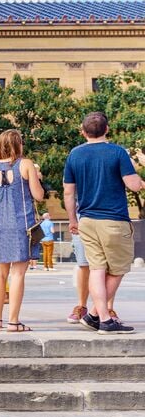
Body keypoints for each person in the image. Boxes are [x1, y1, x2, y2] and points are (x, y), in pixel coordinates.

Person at [63, 111, 143, 334]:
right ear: (107, 129)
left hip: (87, 220)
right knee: (117, 269)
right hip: (114, 220)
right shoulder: (117, 152)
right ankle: (105, 319)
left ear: (83, 131)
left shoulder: (74, 155)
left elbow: (68, 192)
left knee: (97, 269)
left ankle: (94, 316)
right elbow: (133, 185)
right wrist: (139, 179)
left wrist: (72, 219)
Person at [0, 129, 45, 333]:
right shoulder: (25, 164)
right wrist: (37, 178)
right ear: (18, 144)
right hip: (21, 224)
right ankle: (13, 321)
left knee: (0, 273)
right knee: (18, 274)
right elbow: (38, 195)